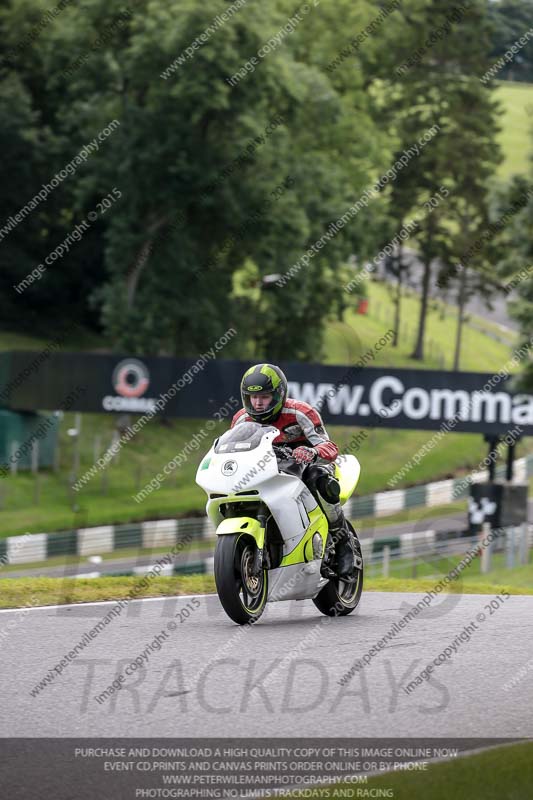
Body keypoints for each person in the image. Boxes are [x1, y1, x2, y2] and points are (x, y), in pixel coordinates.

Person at [231, 362, 356, 580]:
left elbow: (330, 447)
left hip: (306, 465)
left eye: (265, 397)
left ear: (279, 394)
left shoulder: (301, 412)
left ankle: (342, 539)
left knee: (319, 478)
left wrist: (312, 452)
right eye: (254, 398)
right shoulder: (241, 419)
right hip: (266, 469)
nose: (258, 403)